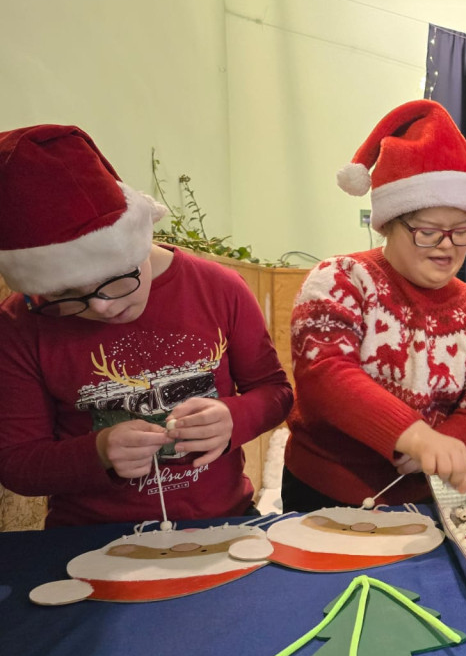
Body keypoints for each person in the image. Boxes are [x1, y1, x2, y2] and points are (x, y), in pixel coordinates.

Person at [0, 124, 294, 527]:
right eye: (66, 295)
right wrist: (98, 452)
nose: (102, 307)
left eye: (117, 279)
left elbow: (275, 392)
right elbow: (17, 463)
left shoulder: (218, 288)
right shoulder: (20, 324)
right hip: (90, 537)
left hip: (221, 523)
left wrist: (234, 418)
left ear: (137, 240)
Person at [283, 99, 466, 510]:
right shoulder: (341, 279)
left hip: (421, 497)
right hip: (323, 489)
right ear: (389, 222)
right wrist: (414, 434)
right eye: (428, 231)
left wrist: (450, 443)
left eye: (461, 232)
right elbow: (325, 373)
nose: (446, 245)